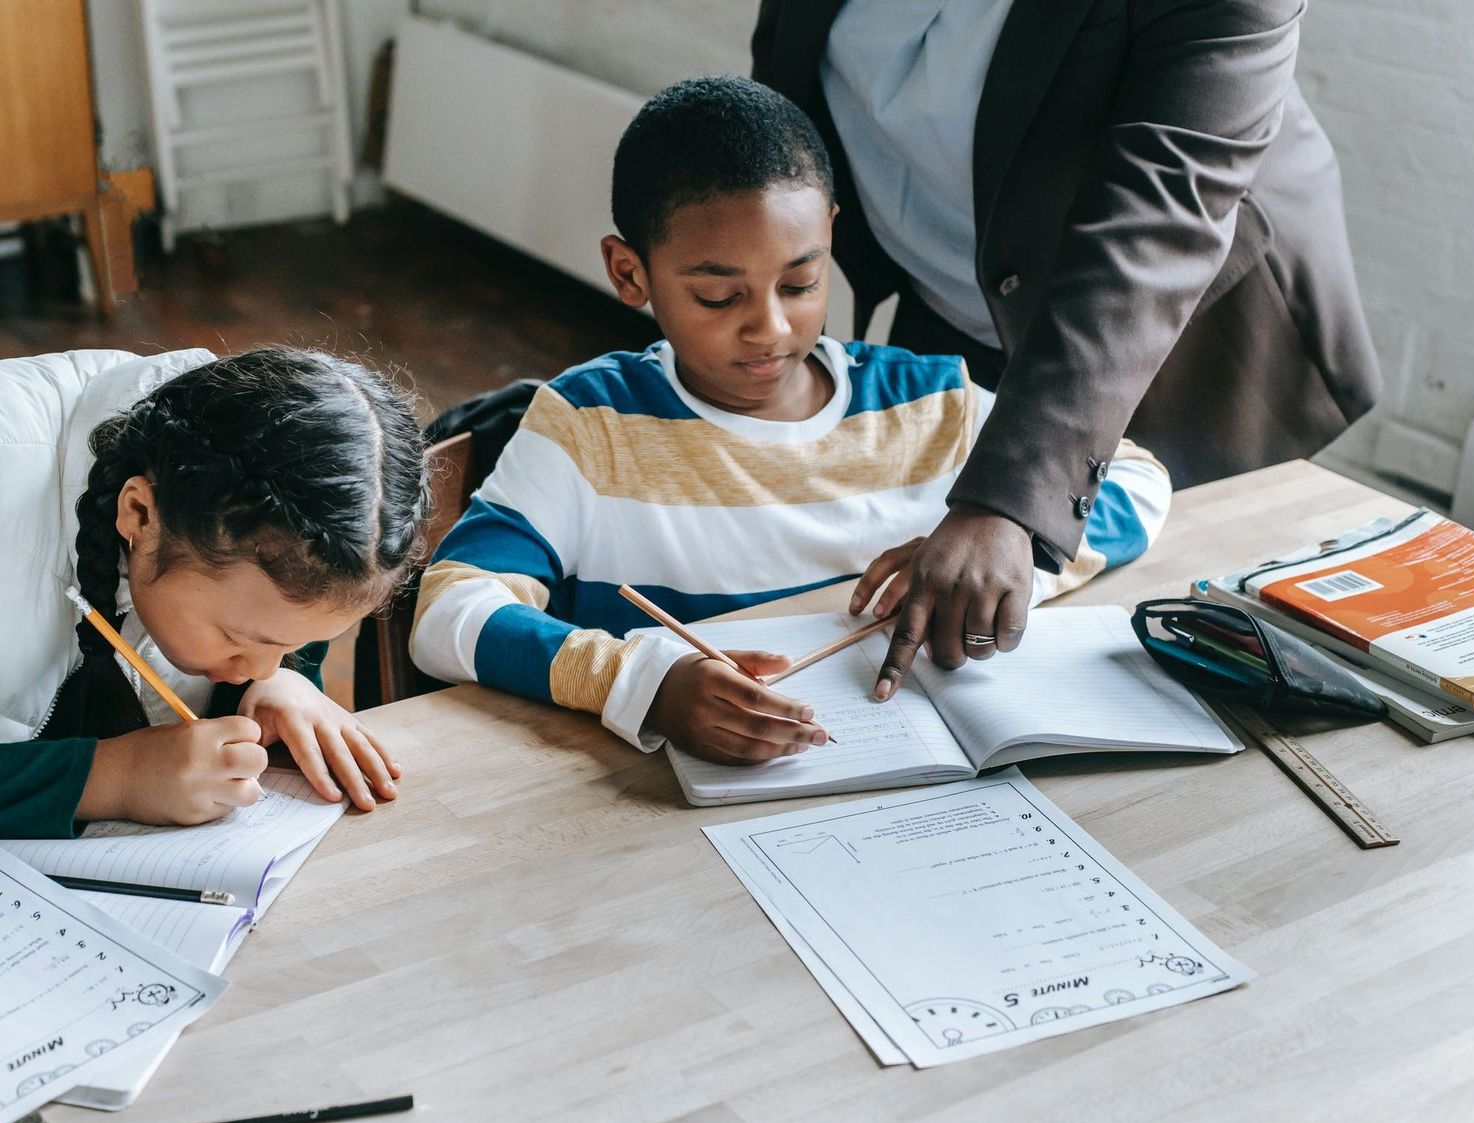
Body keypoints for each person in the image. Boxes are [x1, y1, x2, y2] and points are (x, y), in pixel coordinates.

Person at [410, 75, 1171, 765]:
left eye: (801, 281)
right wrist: (644, 681)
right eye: (718, 296)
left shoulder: (927, 400)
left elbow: (1137, 479)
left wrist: (1003, 557)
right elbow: (451, 607)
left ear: (831, 235)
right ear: (629, 271)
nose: (770, 327)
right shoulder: (591, 426)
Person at [751, 0, 1382, 698]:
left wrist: (1010, 503)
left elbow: (1153, 230)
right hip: (949, 299)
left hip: (1182, 345)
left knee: (1162, 664)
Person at [0, 345, 429, 837]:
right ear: (138, 514)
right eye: (240, 638)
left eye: (292, 645)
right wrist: (109, 778)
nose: (265, 665)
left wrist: (273, 688)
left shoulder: (286, 529)